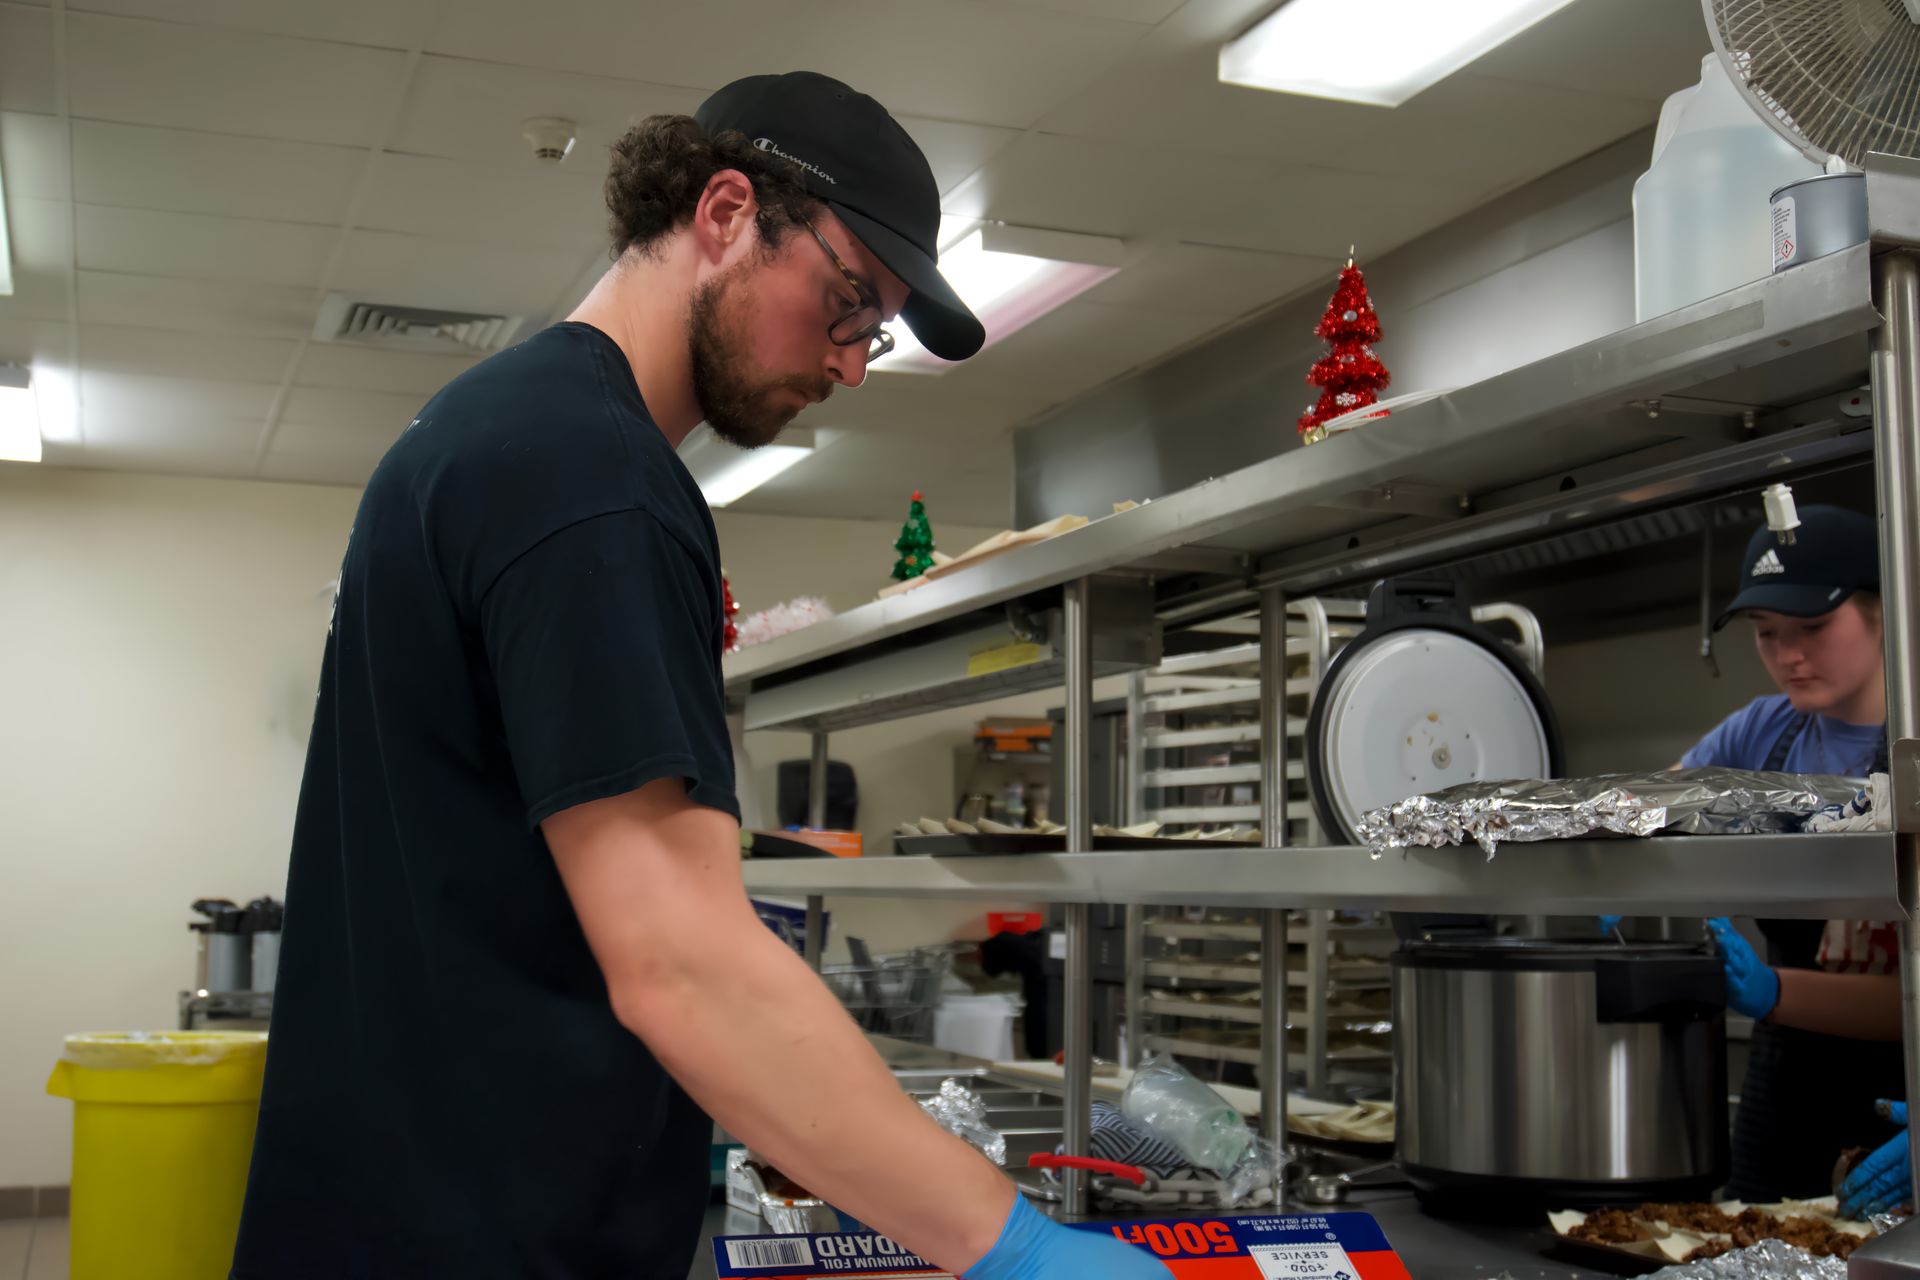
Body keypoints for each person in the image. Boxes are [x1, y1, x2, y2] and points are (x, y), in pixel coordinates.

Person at [230, 71, 1172, 1280]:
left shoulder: (488, 429)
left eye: (871, 330)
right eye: (847, 304)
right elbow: (680, 961)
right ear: (725, 211)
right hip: (488, 1235)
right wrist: (1014, 1244)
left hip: (397, 1206)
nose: (851, 366)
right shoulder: (592, 478)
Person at [1675, 506, 1906, 1210]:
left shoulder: (1915, 740)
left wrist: (1774, 991)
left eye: (1812, 629)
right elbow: (1655, 810)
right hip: (1784, 1088)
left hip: (1900, 1091)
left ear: (1883, 611)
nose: (1789, 656)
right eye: (1767, 634)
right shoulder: (1764, 730)